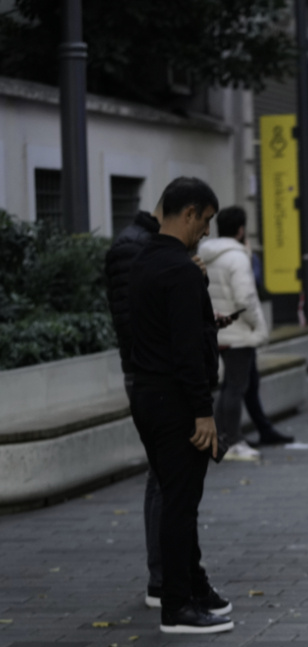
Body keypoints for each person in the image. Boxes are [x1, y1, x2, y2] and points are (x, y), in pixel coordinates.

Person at [127, 177, 233, 635]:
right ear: (188, 213)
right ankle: (177, 605)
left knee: (176, 495)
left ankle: (193, 585)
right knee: (181, 501)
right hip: (176, 401)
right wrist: (203, 411)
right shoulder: (181, 270)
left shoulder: (144, 260)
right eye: (205, 221)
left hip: (147, 395)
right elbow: (188, 349)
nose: (206, 231)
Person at [105, 206, 166, 609]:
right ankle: (162, 578)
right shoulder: (132, 248)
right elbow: (134, 321)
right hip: (150, 374)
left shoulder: (146, 245)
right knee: (163, 474)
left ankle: (167, 574)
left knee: (163, 473)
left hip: (154, 371)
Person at [200, 206, 292, 460]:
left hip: (218, 330)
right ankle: (231, 440)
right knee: (234, 388)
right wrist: (259, 327)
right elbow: (246, 299)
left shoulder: (207, 255)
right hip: (238, 332)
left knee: (236, 384)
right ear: (241, 230)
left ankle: (228, 436)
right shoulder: (237, 258)